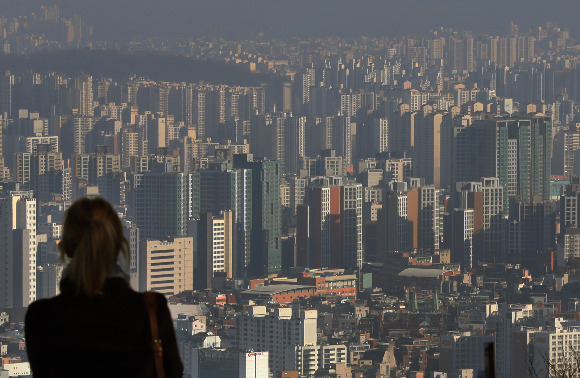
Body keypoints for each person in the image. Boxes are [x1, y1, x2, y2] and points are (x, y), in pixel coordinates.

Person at [25, 197, 183, 377]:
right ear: (116, 246)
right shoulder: (151, 311)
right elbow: (173, 372)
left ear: (67, 247)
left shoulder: (42, 317)